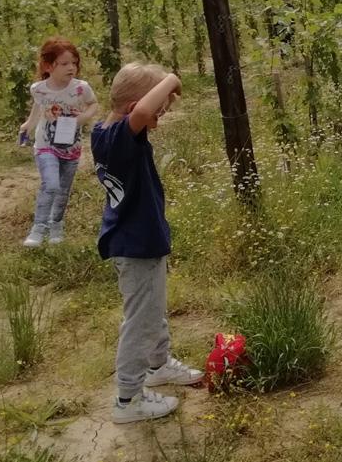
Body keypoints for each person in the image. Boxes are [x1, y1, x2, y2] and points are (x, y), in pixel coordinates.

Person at [92, 63, 203, 424]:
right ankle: (128, 398)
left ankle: (159, 365)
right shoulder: (123, 136)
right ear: (134, 109)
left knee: (152, 310)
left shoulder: (102, 132)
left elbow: (139, 110)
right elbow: (140, 111)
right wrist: (172, 79)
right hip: (136, 246)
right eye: (160, 110)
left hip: (140, 242)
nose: (160, 116)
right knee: (140, 320)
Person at [20, 37, 99, 248]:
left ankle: (56, 225)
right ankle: (38, 228)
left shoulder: (81, 88)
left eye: (74, 63)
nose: (71, 67)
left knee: (63, 189)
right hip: (45, 144)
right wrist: (29, 124)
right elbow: (38, 108)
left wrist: (83, 118)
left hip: (71, 147)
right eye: (64, 64)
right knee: (51, 184)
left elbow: (93, 105)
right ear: (48, 66)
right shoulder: (38, 88)